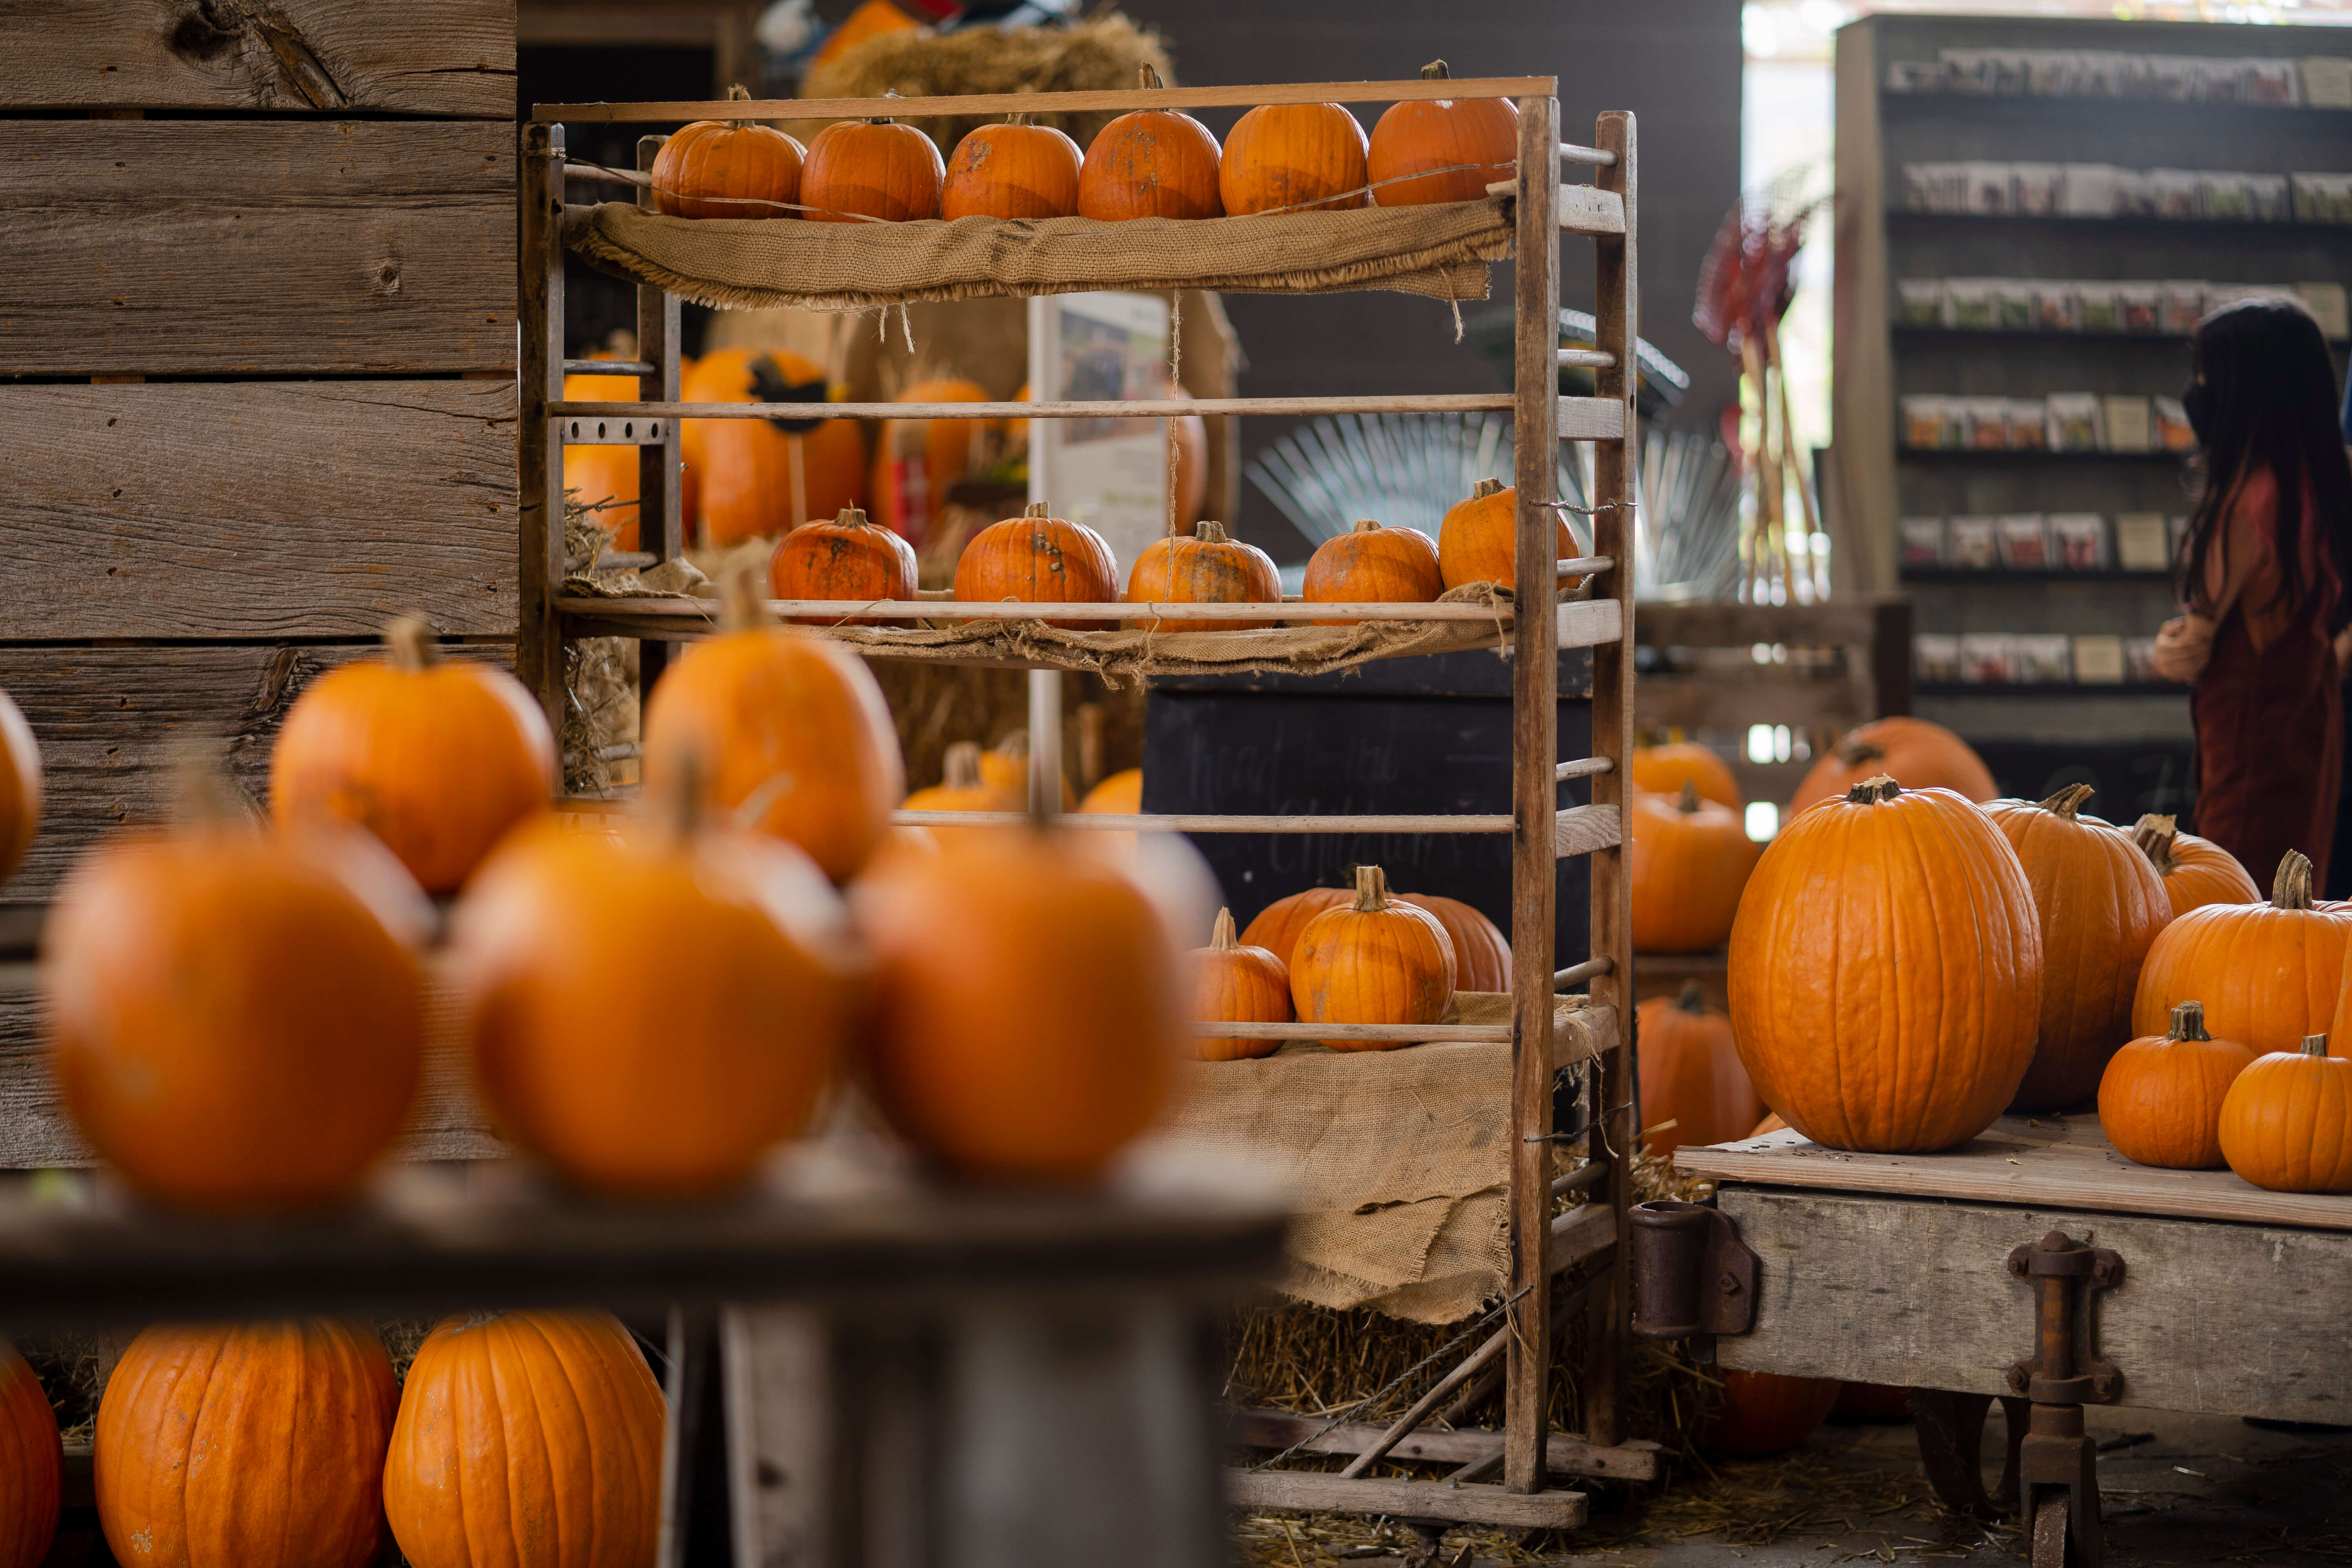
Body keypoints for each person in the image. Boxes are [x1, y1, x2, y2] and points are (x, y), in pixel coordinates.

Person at [2150, 298, 2352, 890]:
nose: (2197, 394)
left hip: (2248, 740)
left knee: (2229, 885)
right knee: (2295, 888)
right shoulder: (2327, 490)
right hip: (2312, 728)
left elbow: (2196, 646)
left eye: (2207, 379)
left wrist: (2166, 649)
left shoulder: (2242, 507)